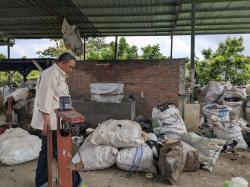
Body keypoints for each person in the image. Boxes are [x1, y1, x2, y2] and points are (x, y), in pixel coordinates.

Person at [31, 52, 82, 187]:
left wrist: (74, 111)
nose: (72, 69)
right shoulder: (51, 73)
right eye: (71, 66)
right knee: (53, 152)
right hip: (51, 123)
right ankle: (47, 182)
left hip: (59, 121)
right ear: (62, 63)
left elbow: (62, 98)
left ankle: (45, 181)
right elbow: (45, 97)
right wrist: (46, 120)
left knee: (55, 152)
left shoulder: (59, 75)